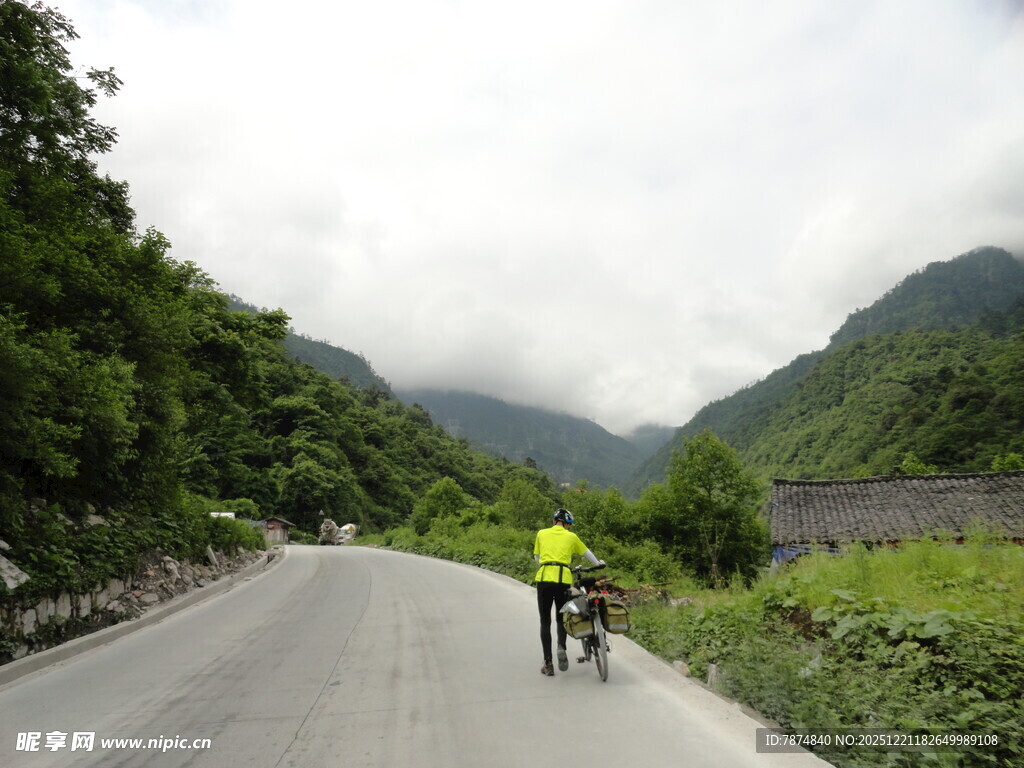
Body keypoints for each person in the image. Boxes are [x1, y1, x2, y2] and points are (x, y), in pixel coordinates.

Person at [533, 507, 604, 676]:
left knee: (545, 622)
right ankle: (561, 647)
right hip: (563, 580)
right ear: (567, 525)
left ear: (553, 521)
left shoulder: (541, 534)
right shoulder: (571, 536)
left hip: (544, 578)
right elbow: (588, 553)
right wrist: (599, 562)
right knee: (561, 618)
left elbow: (537, 558)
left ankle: (548, 664)